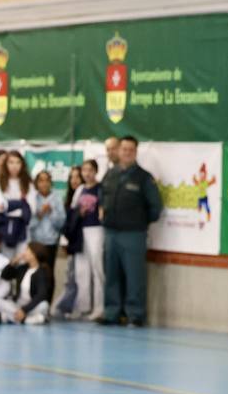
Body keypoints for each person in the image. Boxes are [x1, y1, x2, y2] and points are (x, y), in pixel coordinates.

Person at [99, 135, 161, 327]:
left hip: (133, 234)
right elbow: (103, 198)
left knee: (135, 277)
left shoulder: (144, 177)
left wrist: (139, 223)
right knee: (112, 275)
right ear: (118, 151)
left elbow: (155, 207)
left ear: (135, 152)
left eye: (130, 150)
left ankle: (135, 314)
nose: (126, 153)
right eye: (123, 149)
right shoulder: (110, 174)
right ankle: (112, 313)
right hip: (111, 233)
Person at [58, 161, 103, 321]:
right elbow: (72, 212)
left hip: (96, 230)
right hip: (80, 232)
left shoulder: (100, 188)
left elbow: (102, 209)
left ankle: (99, 307)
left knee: (97, 270)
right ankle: (83, 307)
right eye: (84, 170)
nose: (87, 173)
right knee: (81, 272)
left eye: (90, 170)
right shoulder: (79, 190)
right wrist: (79, 212)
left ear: (96, 171)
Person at [0, 246, 52, 325]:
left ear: (34, 254)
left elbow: (41, 295)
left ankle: (19, 319)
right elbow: (5, 276)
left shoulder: (41, 272)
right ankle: (27, 319)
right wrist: (13, 263)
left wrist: (24, 310)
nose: (24, 253)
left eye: (27, 251)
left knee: (44, 305)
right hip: (17, 306)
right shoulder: (22, 269)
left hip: (31, 307)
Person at [26, 171, 65, 267]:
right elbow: (28, 224)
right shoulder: (32, 198)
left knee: (49, 272)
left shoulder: (57, 198)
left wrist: (51, 213)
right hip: (35, 241)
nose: (44, 183)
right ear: (36, 183)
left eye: (47, 180)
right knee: (35, 270)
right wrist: (39, 216)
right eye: (41, 180)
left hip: (51, 242)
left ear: (51, 183)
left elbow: (61, 223)